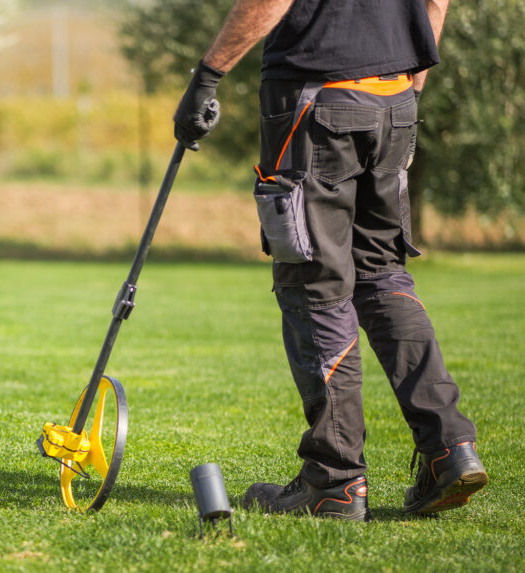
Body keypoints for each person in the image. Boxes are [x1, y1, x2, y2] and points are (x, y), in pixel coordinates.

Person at [173, 0, 487, 521]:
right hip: (396, 96)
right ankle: (450, 450)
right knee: (383, 274)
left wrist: (206, 77)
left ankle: (334, 481)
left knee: (313, 280)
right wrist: (409, 83)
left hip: (315, 98)